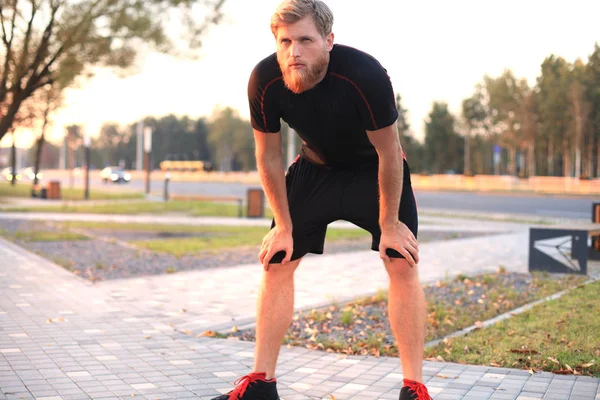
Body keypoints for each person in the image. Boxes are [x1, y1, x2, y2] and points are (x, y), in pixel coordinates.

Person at [212, 1, 430, 399]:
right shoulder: (265, 79)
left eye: (306, 41)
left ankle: (413, 387)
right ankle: (261, 384)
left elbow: (389, 151)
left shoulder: (364, 74)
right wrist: (284, 226)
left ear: (329, 40)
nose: (293, 52)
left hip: (374, 171)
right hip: (315, 170)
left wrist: (389, 225)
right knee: (277, 260)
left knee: (401, 260)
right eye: (285, 42)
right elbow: (269, 156)